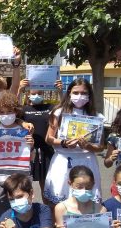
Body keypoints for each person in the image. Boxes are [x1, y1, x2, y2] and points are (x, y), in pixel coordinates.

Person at [44, 78, 104, 206]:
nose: (80, 96)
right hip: (63, 160)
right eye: (76, 93)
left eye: (84, 93)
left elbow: (101, 147)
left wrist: (88, 146)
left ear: (89, 95)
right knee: (58, 199)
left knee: (86, 199)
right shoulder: (59, 112)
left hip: (87, 160)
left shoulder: (96, 116)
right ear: (69, 92)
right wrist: (63, 143)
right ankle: (57, 225)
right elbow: (48, 138)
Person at [54, 166, 121, 228]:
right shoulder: (61, 208)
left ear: (93, 184)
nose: (84, 190)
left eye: (88, 186)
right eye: (79, 186)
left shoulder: (100, 209)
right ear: (70, 184)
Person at [0, 91, 34, 220]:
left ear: (16, 111)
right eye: (2, 112)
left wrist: (31, 145)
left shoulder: (24, 130)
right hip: (1, 179)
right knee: (3, 213)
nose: (6, 115)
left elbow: (30, 156)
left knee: (23, 210)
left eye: (9, 112)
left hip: (21, 178)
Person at [19, 79, 63, 203]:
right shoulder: (24, 109)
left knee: (47, 188)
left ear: (43, 94)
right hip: (28, 151)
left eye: (39, 93)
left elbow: (64, 107)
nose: (36, 96)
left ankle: (48, 214)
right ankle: (27, 213)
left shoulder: (50, 107)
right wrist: (19, 90)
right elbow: (13, 109)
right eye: (33, 94)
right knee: (24, 186)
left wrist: (60, 92)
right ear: (28, 94)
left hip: (46, 151)